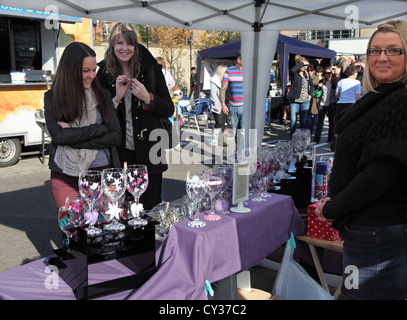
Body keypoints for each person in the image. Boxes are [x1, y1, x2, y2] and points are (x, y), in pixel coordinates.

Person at [316, 20, 407, 300]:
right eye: (375, 50)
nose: (382, 57)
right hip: (368, 229)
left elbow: (379, 175)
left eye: (394, 50)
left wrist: (332, 209)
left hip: (376, 231)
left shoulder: (399, 101)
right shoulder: (380, 97)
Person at [97, 23, 174, 210]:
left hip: (150, 150)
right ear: (112, 44)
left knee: (151, 206)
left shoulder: (151, 70)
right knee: (124, 209)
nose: (124, 48)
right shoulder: (104, 73)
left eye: (129, 43)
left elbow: (169, 109)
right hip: (119, 153)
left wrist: (147, 97)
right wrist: (117, 98)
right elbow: (100, 115)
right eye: (119, 43)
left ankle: (152, 240)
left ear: (135, 45)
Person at [44, 41, 122, 210]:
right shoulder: (53, 97)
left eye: (94, 70)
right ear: (70, 70)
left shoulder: (103, 95)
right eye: (85, 71)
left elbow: (115, 135)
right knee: (74, 231)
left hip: (102, 173)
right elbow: (58, 136)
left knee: (101, 230)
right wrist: (98, 129)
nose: (92, 75)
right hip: (65, 176)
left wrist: (73, 137)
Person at [220, 50, 244, 150]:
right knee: (234, 132)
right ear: (239, 59)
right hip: (233, 107)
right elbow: (223, 89)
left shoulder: (250, 72)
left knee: (243, 132)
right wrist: (223, 104)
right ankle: (237, 152)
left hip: (245, 106)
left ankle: (242, 154)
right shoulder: (229, 71)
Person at [287, 55, 314, 137]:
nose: (304, 67)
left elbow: (312, 85)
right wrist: (301, 63)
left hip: (305, 100)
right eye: (302, 65)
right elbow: (292, 70)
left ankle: (302, 138)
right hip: (295, 100)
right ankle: (292, 137)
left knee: (303, 120)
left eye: (305, 66)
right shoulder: (295, 73)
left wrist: (310, 94)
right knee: (293, 120)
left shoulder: (307, 74)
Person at [313, 66, 334, 143]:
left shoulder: (333, 82)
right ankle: (317, 138)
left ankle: (330, 138)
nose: (327, 74)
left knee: (331, 122)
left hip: (330, 104)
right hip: (322, 103)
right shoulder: (322, 81)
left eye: (329, 73)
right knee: (320, 121)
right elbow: (317, 92)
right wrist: (318, 87)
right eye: (326, 73)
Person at [209, 65, 228, 146]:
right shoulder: (214, 80)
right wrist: (216, 104)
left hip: (226, 103)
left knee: (224, 123)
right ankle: (214, 139)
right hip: (217, 105)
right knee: (219, 123)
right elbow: (213, 94)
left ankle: (221, 140)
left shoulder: (225, 81)